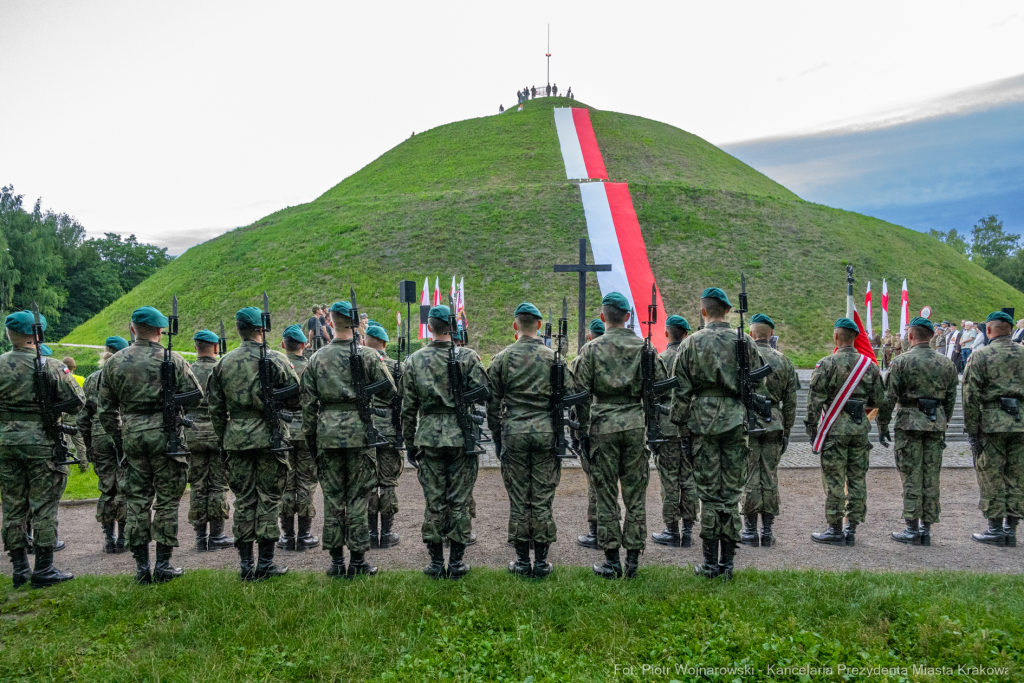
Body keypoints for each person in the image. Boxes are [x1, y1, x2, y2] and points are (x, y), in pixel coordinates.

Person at [100, 306, 202, 583]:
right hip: (166, 435)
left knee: (136, 501)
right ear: (160, 331)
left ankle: (142, 567)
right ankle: (164, 564)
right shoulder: (173, 359)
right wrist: (171, 402)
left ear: (132, 329)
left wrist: (120, 435)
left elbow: (105, 410)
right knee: (167, 501)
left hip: (132, 434)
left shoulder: (114, 362)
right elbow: (196, 396)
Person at [672, 288, 765, 579]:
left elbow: (681, 391)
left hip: (703, 424)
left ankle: (711, 563)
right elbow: (758, 383)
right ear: (726, 311)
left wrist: (681, 427)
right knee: (731, 493)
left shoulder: (691, 343)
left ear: (703, 312)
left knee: (710, 495)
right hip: (736, 421)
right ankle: (728, 564)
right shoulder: (745, 341)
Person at [300, 302, 396, 578]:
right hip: (359, 434)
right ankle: (357, 561)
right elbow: (390, 391)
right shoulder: (368, 355)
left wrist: (312, 439)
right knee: (358, 498)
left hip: (327, 434)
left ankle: (335, 562)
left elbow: (307, 404)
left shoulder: (317, 358)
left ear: (331, 322)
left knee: (332, 498)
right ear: (356, 324)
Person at [575, 292, 664, 579]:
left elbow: (578, 394)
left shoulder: (591, 350)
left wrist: (582, 430)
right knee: (635, 494)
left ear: (603, 317)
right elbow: (661, 385)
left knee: (605, 494)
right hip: (635, 424)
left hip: (602, 425)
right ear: (627, 317)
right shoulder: (645, 348)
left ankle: (612, 560)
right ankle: (634, 561)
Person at [207, 307, 300, 581]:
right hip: (270, 437)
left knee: (245, 500)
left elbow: (215, 407)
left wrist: (226, 436)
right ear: (262, 329)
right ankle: (266, 563)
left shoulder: (223, 363)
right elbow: (296, 398)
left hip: (237, 437)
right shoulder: (276, 359)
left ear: (239, 329)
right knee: (269, 498)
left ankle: (246, 564)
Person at [399, 304, 488, 580]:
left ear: (429, 328)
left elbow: (407, 408)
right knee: (459, 501)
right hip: (462, 435)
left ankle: (437, 563)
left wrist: (410, 444)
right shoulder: (468, 357)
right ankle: (457, 563)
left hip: (428, 436)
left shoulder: (413, 360)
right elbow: (484, 393)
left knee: (434, 501)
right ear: (453, 327)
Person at [1, 310, 84, 588]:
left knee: (13, 506)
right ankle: (44, 568)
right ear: (37, 334)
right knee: (44, 505)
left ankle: (19, 568)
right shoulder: (51, 366)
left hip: (6, 443)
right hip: (43, 442)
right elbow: (77, 400)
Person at [487, 303, 562, 577]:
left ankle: (521, 561)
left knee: (519, 498)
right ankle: (541, 562)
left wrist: (498, 438)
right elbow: (568, 397)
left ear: (515, 325)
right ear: (539, 325)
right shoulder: (554, 358)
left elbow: (491, 405)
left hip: (514, 431)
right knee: (542, 497)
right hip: (545, 430)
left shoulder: (501, 359)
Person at [876, 317, 958, 546]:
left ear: (910, 336)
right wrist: (943, 421)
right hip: (935, 424)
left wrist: (882, 426)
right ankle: (926, 528)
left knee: (911, 475)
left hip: (909, 424)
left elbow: (888, 398)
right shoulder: (947, 363)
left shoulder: (901, 362)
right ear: (932, 336)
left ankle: (912, 529)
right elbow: (951, 399)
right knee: (931, 476)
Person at [805, 318, 885, 547]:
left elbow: (814, 402)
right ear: (857, 338)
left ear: (836, 337)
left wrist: (812, 429)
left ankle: (835, 529)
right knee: (858, 479)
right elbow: (880, 399)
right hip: (859, 429)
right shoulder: (869, 366)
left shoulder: (826, 364)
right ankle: (852, 528)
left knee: (834, 481)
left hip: (834, 431)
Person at [962, 311, 1024, 547]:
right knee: (1017, 476)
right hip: (1020, 423)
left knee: (991, 475)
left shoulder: (981, 356)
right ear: (1010, 329)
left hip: (991, 424)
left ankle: (996, 529)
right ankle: (1012, 528)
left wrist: (972, 431)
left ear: (989, 330)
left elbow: (970, 396)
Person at [740, 313, 800, 548]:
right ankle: (767, 530)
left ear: (751, 334)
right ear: (771, 335)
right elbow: (791, 401)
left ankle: (750, 530)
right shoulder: (783, 361)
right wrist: (787, 430)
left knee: (750, 476)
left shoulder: (743, 359)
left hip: (749, 422)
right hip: (775, 422)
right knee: (770, 477)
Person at [77, 336, 130, 554]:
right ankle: (123, 538)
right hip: (123, 431)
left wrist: (88, 445)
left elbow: (82, 417)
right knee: (126, 486)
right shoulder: (125, 375)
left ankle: (108, 539)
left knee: (107, 487)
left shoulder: (91, 379)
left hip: (99, 435)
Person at [651, 315, 698, 548]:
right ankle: (688, 530)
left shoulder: (660, 360)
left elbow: (651, 397)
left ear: (667, 334)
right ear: (686, 334)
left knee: (669, 479)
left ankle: (672, 530)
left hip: (667, 429)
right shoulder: (693, 360)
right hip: (689, 428)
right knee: (689, 480)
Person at [186, 330, 234, 552]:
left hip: (192, 433)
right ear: (216, 348)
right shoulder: (221, 369)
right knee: (217, 484)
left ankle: (199, 536)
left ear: (196, 347)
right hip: (216, 433)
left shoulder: (187, 369)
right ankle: (217, 535)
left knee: (197, 484)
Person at [276, 324, 320, 553]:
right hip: (306, 430)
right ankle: (304, 535)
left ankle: (287, 535)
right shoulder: (312, 367)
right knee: (306, 483)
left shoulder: (275, 365)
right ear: (304, 344)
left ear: (283, 345)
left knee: (285, 482)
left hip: (282, 432)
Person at [362, 323, 403, 549]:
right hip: (389, 431)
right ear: (385, 343)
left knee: (368, 483)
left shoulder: (357, 365)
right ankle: (386, 534)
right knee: (387, 484)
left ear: (365, 341)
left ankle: (370, 533)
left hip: (365, 431)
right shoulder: (397, 367)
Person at [571, 318, 604, 549]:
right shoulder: (632, 350)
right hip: (627, 424)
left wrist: (577, 433)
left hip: (593, 425)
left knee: (595, 481)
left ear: (590, 336)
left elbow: (577, 400)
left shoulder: (584, 357)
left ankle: (595, 531)